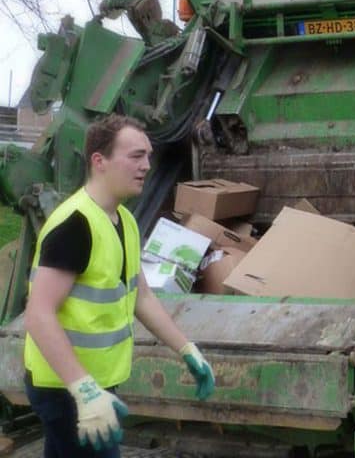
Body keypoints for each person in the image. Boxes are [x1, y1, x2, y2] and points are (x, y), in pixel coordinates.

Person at [23, 115, 216, 458]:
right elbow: (38, 315)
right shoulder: (75, 225)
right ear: (99, 161)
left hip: (91, 386)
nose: (147, 165)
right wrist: (84, 390)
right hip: (66, 389)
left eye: (148, 156)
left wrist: (186, 349)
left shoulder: (124, 219)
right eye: (136, 156)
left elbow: (140, 296)